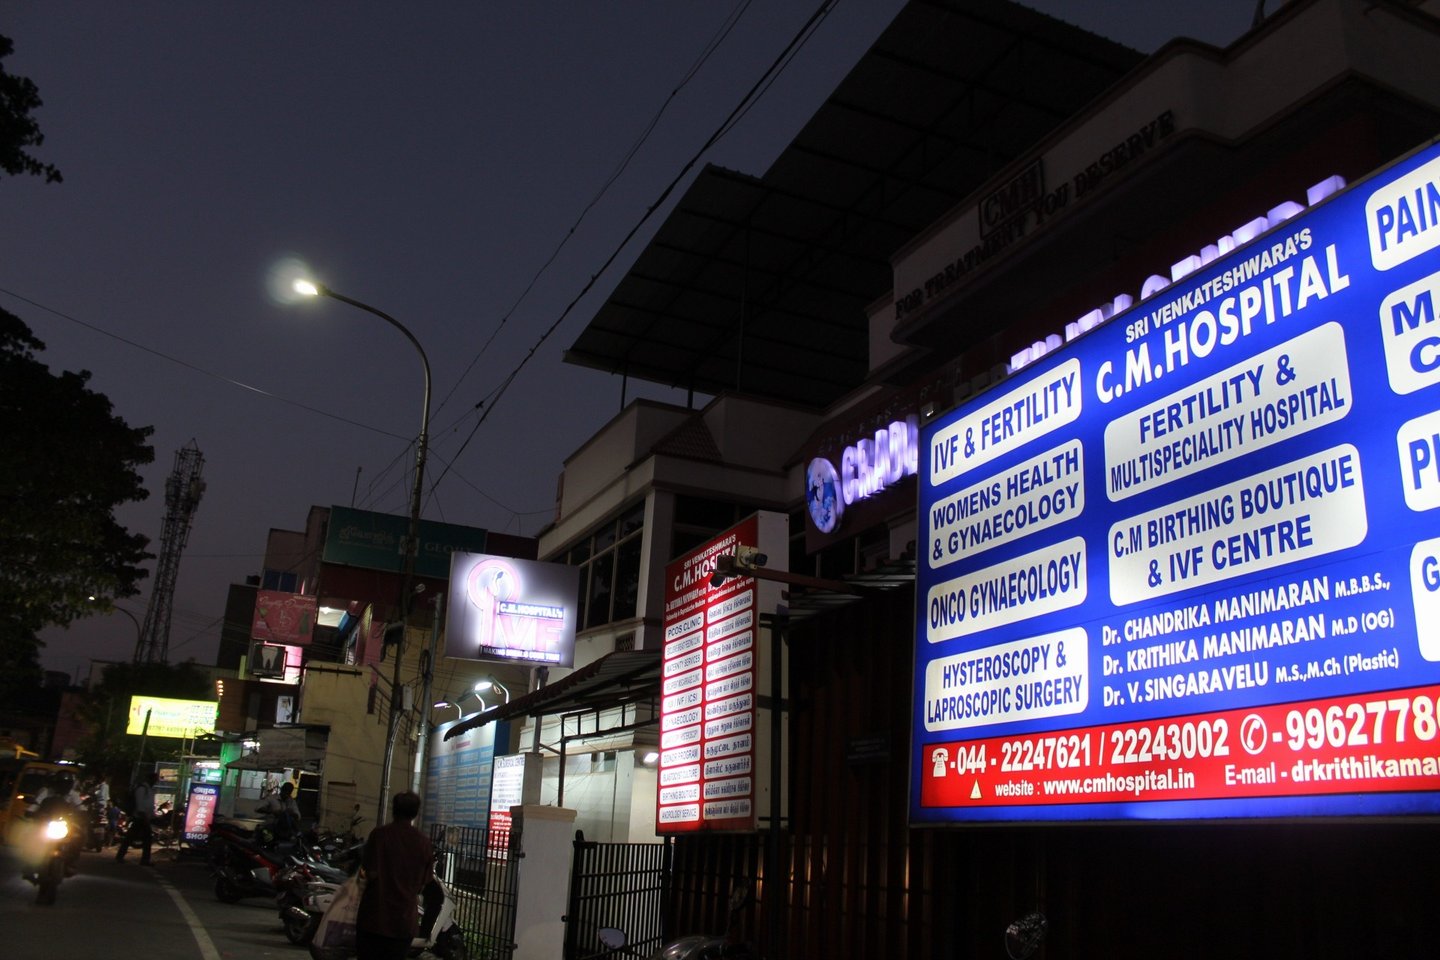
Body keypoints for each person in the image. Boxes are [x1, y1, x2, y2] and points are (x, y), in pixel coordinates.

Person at [356, 791, 437, 960]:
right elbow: (425, 881)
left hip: (374, 917)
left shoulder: (379, 835)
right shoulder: (423, 842)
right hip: (403, 922)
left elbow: (368, 872)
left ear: (394, 810)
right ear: (416, 813)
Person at [114, 771, 158, 865]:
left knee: (131, 838)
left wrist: (152, 815)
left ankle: (120, 856)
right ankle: (144, 860)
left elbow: (149, 805)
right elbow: (140, 804)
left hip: (144, 817)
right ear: (150, 779)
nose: (156, 782)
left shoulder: (149, 789)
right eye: (155, 779)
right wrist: (144, 815)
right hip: (140, 817)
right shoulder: (142, 788)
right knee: (146, 839)